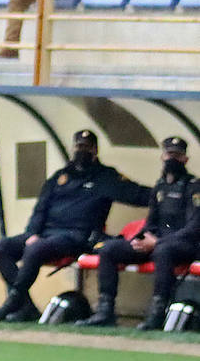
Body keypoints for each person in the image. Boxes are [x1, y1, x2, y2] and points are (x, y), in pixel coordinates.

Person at [0, 129, 149, 322]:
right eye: (79, 146)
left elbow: (138, 194)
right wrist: (32, 233)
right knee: (1, 248)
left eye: (87, 147)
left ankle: (13, 301)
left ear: (95, 150)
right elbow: (41, 209)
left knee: (36, 249)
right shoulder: (61, 177)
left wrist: (165, 193)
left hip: (77, 236)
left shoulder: (106, 177)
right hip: (46, 233)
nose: (82, 151)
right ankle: (26, 306)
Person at [80, 137, 200, 330]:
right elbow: (151, 221)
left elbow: (194, 227)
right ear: (162, 156)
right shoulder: (160, 186)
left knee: (163, 251)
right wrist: (140, 239)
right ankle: (105, 310)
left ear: (185, 159)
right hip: (157, 242)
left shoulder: (194, 186)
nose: (172, 159)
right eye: (169, 154)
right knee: (109, 249)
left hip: (182, 244)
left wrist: (157, 242)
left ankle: (157, 314)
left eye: (177, 155)